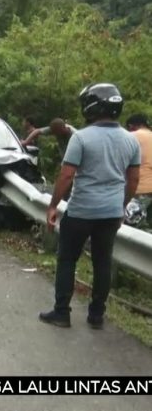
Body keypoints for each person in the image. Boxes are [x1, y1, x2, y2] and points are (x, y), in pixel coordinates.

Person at [40, 83, 140, 329]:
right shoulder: (131, 141)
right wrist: (121, 206)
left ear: (91, 107)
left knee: (67, 260)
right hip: (111, 212)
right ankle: (96, 316)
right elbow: (133, 180)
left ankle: (62, 313)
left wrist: (53, 205)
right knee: (102, 262)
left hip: (82, 210)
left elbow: (66, 176)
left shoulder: (81, 137)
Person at [126, 113, 152, 217]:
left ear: (130, 126)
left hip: (138, 189)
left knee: (129, 223)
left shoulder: (131, 136)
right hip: (150, 189)